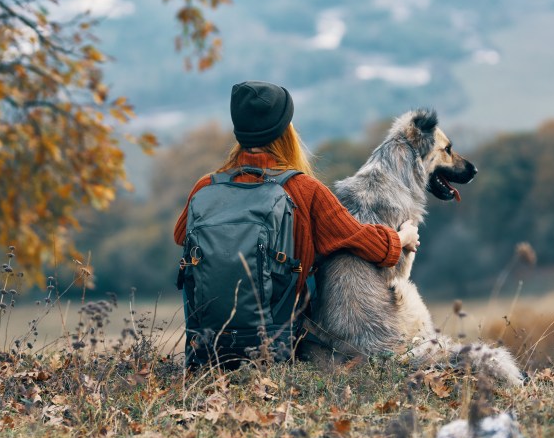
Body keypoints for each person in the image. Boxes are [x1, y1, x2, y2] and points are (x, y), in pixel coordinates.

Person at [173, 80, 419, 362]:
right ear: (285, 130)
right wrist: (402, 238)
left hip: (207, 347)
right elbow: (364, 242)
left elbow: (181, 235)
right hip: (276, 346)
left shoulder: (205, 187)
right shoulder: (305, 190)